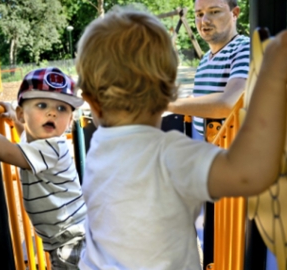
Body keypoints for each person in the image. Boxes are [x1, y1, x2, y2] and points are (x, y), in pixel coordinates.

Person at [75, 6, 287, 269]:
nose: (204, 19)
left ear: (91, 103)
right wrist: (273, 75)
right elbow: (252, 172)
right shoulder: (170, 154)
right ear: (169, 96)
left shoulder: (97, 148)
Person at [0, 67, 87, 269]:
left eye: (62, 109)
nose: (52, 112)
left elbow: (7, 151)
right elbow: (26, 135)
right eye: (42, 105)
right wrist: (14, 120)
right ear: (22, 113)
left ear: (69, 121)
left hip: (71, 239)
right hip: (63, 237)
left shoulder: (53, 147)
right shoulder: (37, 143)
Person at [167, 0, 250, 137]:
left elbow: (229, 102)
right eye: (199, 14)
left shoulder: (244, 48)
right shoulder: (206, 58)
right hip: (206, 143)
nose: (204, 21)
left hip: (232, 151)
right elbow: (209, 98)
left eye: (214, 12)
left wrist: (163, 104)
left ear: (234, 13)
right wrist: (193, 100)